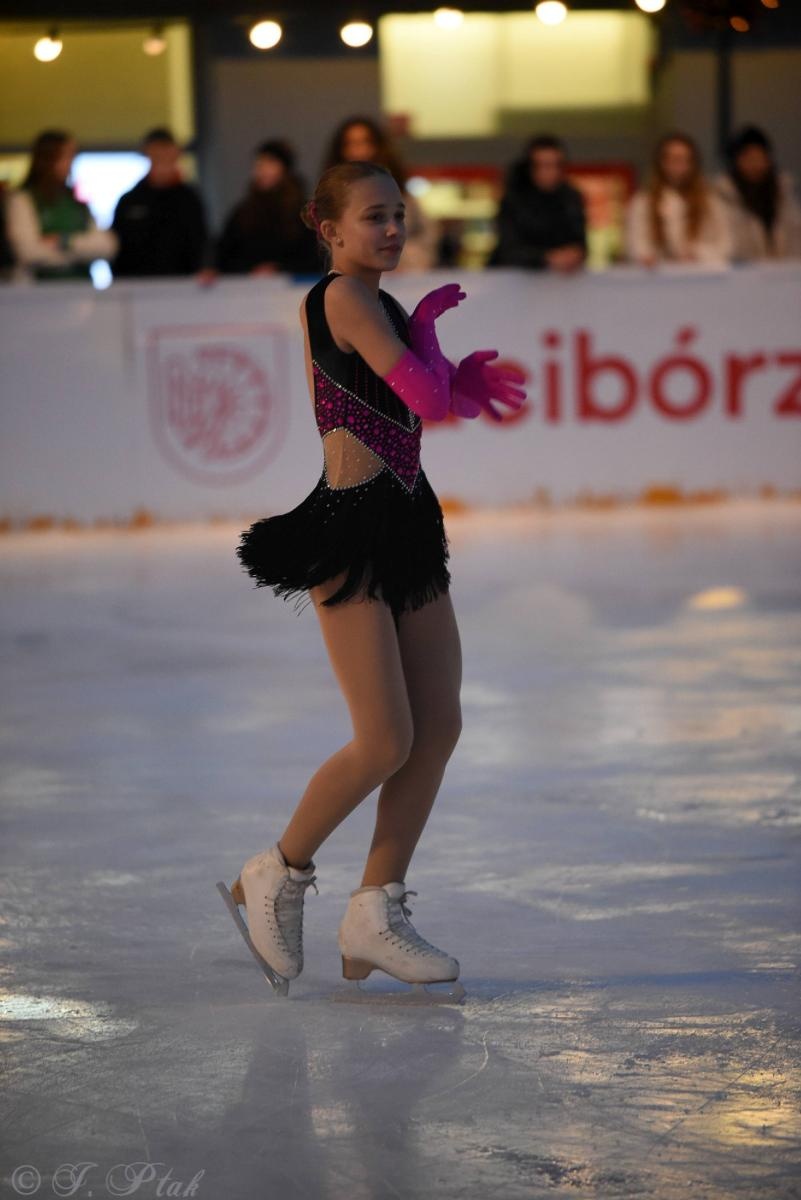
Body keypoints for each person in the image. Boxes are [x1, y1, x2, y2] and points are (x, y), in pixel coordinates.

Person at [218, 160, 526, 998]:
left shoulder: (379, 303)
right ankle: (275, 870)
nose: (391, 229)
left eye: (398, 214)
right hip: (347, 529)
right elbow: (422, 397)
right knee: (385, 738)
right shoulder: (342, 298)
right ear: (329, 229)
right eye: (373, 217)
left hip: (407, 520)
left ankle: (373, 911)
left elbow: (425, 398)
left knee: (438, 724)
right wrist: (430, 346)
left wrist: (441, 359)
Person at [322, 115, 439, 270]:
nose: (359, 150)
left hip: (401, 273)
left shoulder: (400, 192)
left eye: (365, 142)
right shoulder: (330, 198)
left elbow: (427, 235)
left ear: (378, 146)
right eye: (350, 143)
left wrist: (408, 258)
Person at [4, 129, 118, 283]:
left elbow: (107, 247)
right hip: (38, 289)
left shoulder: (77, 201)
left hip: (81, 287)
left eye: (73, 156)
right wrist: (81, 255)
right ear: (47, 159)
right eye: (66, 156)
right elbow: (28, 253)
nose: (70, 163)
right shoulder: (22, 200)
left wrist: (63, 241)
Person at [211, 138, 319, 277]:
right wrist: (248, 270)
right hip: (247, 286)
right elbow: (224, 254)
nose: (262, 170)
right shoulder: (244, 212)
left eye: (270, 163)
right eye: (259, 164)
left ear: (284, 168)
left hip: (294, 286)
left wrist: (280, 268)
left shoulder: (302, 212)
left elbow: (313, 256)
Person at [624, 131, 732, 267]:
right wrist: (647, 256)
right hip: (660, 275)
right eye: (673, 159)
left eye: (684, 159)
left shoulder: (710, 201)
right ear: (661, 162)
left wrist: (698, 253)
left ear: (693, 163)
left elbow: (726, 245)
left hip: (701, 273)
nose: (678, 166)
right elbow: (635, 243)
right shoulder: (643, 202)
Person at [111, 127, 209, 277]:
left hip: (182, 283)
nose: (162, 160)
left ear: (175, 154)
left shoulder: (189, 200)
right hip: (138, 283)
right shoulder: (130, 201)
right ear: (148, 154)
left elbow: (201, 244)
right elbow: (117, 248)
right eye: (157, 155)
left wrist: (204, 267)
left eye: (166, 153)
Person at [486, 134, 587, 273]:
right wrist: (546, 258)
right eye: (544, 165)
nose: (551, 172)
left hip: (559, 280)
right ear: (531, 168)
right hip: (513, 279)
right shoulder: (513, 199)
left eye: (556, 165)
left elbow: (580, 241)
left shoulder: (571, 198)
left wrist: (575, 253)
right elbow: (509, 249)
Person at [713, 125, 801, 262]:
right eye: (748, 158)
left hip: (786, 269)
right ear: (736, 161)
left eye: (760, 157)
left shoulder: (783, 192)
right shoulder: (724, 194)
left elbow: (796, 234)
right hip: (742, 269)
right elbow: (726, 242)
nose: (755, 164)